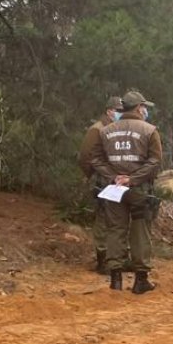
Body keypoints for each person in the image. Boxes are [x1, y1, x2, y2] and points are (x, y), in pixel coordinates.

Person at [91, 90, 163, 294]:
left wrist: (113, 177)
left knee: (115, 229)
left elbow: (95, 159)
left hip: (114, 189)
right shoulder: (150, 130)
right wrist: (133, 179)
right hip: (139, 189)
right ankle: (141, 280)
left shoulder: (106, 130)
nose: (145, 110)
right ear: (139, 108)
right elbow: (155, 161)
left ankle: (115, 279)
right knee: (140, 230)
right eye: (145, 107)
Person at [78, 95, 122, 273]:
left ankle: (114, 258)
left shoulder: (116, 128)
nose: (120, 114)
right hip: (101, 181)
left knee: (116, 220)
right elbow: (85, 157)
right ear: (109, 111)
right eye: (118, 111)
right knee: (103, 220)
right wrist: (94, 176)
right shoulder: (97, 129)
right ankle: (102, 260)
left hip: (114, 181)